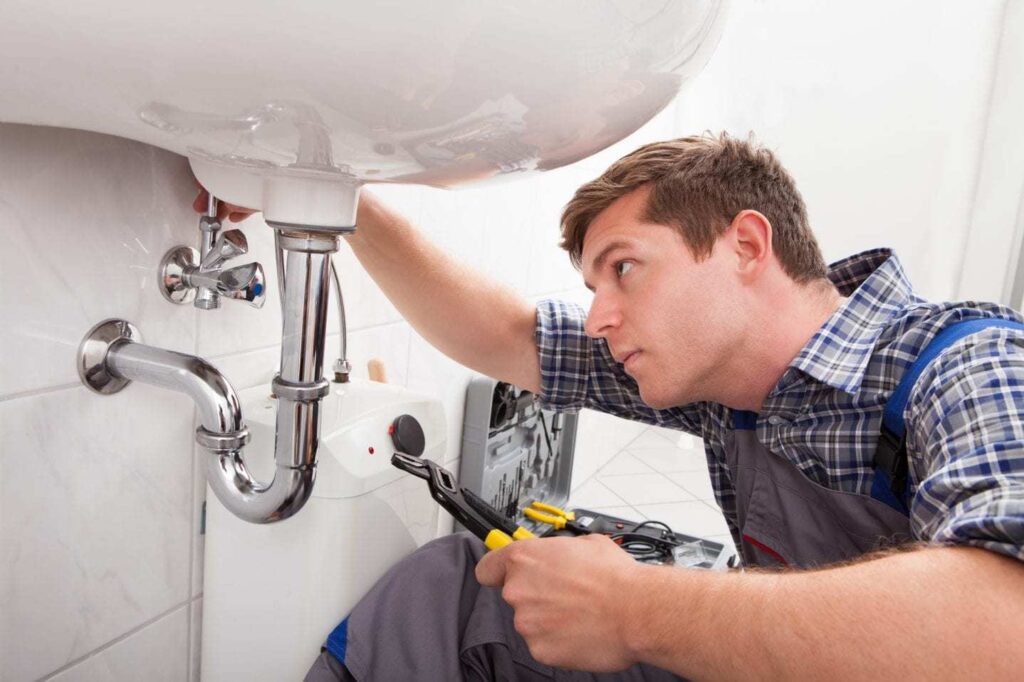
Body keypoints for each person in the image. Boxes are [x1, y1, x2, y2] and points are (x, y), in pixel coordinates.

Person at [197, 133, 1024, 680]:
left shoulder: (970, 364)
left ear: (745, 244)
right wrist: (333, 198)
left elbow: (1002, 630)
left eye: (623, 269)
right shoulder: (724, 391)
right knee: (462, 592)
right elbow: (510, 335)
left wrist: (637, 610)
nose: (598, 316)